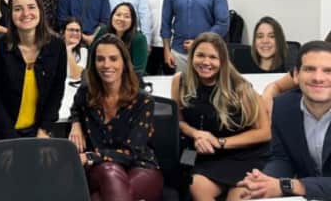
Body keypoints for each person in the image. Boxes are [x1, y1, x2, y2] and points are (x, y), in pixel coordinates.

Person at [171, 32, 270, 201]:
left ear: (223, 60)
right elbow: (178, 121)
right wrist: (197, 134)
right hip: (203, 152)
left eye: (213, 57)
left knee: (237, 196)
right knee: (191, 184)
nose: (206, 62)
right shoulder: (179, 81)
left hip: (243, 154)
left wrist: (220, 142)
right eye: (200, 55)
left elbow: (265, 132)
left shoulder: (240, 87)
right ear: (192, 56)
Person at [68, 34, 163, 201]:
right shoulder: (86, 93)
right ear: (93, 63)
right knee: (109, 172)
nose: (106, 65)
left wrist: (91, 156)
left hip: (140, 167)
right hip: (101, 169)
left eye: (113, 59)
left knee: (99, 196)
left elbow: (132, 153)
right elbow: (75, 109)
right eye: (100, 59)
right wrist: (76, 124)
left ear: (124, 63)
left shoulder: (143, 101)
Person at [238, 40, 331, 200]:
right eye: (309, 69)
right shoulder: (283, 107)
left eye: (328, 71)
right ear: (295, 75)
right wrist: (264, 182)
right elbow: (282, 158)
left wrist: (289, 185)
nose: (318, 78)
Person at [0, 0, 67, 140]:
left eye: (31, 7)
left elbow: (57, 91)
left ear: (40, 10)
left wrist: (44, 129)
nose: (25, 13)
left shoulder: (57, 46)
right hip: (2, 129)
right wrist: (10, 137)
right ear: (10, 14)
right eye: (18, 9)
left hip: (38, 130)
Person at [94, 2, 149, 77]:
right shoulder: (103, 32)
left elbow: (138, 70)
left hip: (128, 81)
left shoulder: (139, 39)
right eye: (118, 15)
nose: (121, 19)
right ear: (112, 16)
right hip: (101, 78)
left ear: (132, 21)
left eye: (126, 16)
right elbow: (91, 58)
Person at [143, 0, 175, 75]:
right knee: (149, 78)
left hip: (172, 44)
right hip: (150, 44)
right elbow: (141, 16)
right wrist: (145, 41)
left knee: (172, 78)